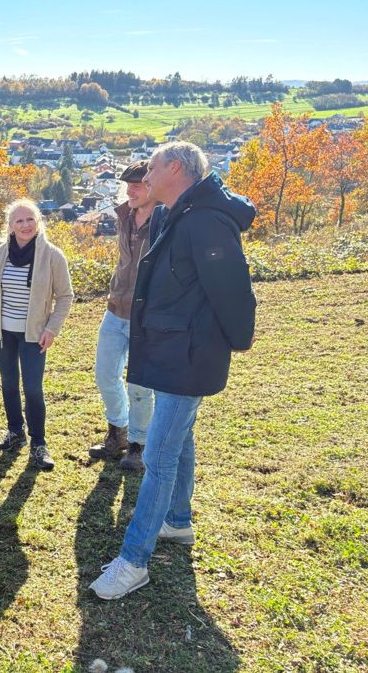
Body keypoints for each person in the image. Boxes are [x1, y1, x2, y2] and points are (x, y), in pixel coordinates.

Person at [90, 141, 256, 600]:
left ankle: (134, 560)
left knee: (159, 457)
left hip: (189, 353)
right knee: (178, 439)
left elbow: (231, 288)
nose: (147, 172)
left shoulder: (205, 222)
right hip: (171, 346)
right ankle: (178, 522)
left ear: (177, 169)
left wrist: (239, 339)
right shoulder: (178, 213)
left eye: (155, 165)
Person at [0, 199, 74, 470]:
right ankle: (14, 432)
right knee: (9, 383)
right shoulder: (0, 253)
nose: (25, 225)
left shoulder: (53, 255)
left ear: (38, 222)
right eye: (19, 221)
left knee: (32, 388)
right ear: (10, 226)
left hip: (34, 335)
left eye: (30, 219)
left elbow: (66, 297)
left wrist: (51, 329)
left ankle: (39, 443)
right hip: (3, 332)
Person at [89, 161, 157, 471]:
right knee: (105, 373)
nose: (130, 189)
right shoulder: (124, 216)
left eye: (137, 184)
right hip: (116, 309)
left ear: (153, 187)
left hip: (147, 314)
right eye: (127, 184)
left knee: (140, 384)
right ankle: (118, 431)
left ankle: (138, 446)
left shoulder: (164, 220)